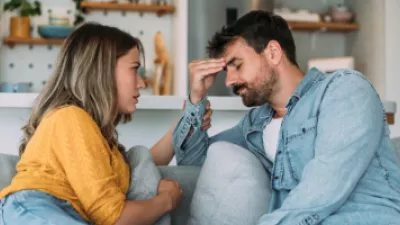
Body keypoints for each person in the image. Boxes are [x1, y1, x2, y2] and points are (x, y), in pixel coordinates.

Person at [172, 10, 400, 225]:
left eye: (237, 66)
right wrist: (196, 97)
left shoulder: (344, 90)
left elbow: (322, 190)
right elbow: (194, 161)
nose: (229, 81)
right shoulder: (256, 123)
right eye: (226, 72)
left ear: (273, 53)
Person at [0, 23, 212, 225]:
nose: (142, 82)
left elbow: (144, 163)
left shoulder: (98, 139)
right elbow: (114, 218)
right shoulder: (69, 118)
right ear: (102, 70)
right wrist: (166, 201)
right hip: (35, 208)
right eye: (134, 69)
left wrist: (189, 116)